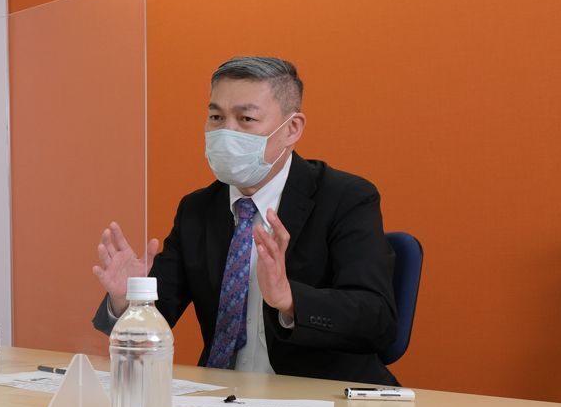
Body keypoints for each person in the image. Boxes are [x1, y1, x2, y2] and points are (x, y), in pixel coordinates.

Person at [91, 56, 399, 385]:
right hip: (221, 397)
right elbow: (156, 318)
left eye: (246, 118)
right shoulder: (198, 208)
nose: (227, 132)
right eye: (216, 117)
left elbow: (377, 320)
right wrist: (127, 301)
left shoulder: (345, 198)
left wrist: (289, 300)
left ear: (292, 128)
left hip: (318, 397)